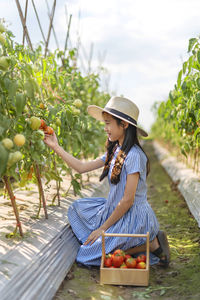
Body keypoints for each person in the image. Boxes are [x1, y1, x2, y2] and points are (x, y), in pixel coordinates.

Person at [44, 96, 170, 268]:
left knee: (84, 256)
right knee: (75, 208)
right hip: (114, 210)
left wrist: (102, 228)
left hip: (133, 217)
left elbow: (127, 201)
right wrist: (56, 147)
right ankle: (115, 241)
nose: (105, 128)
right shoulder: (116, 150)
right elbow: (81, 167)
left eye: (108, 123)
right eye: (105, 123)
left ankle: (149, 244)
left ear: (124, 125)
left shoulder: (134, 155)